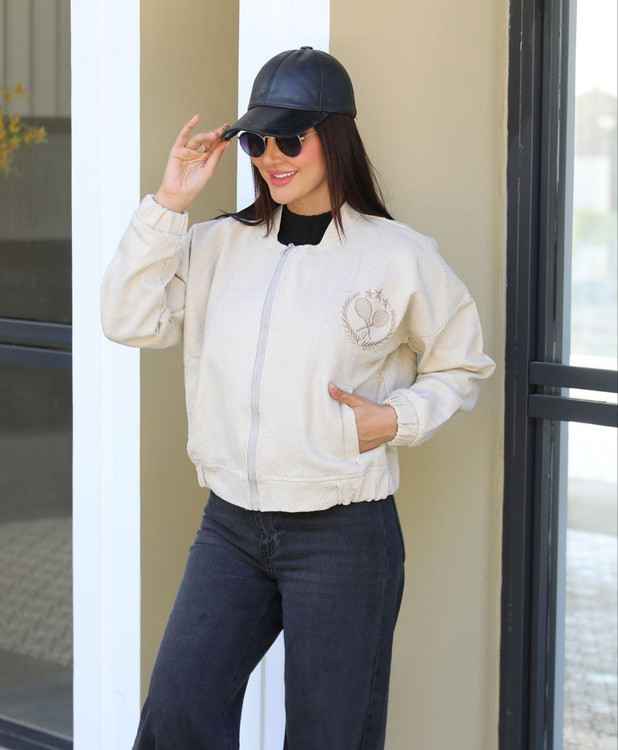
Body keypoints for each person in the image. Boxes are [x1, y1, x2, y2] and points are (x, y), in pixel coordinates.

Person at [101, 47, 495, 750]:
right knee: (176, 715)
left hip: (343, 535)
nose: (271, 158)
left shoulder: (397, 255)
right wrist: (169, 205)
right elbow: (127, 319)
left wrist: (398, 418)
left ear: (333, 136)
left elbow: (462, 361)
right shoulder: (216, 247)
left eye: (289, 138)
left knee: (328, 736)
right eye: (256, 142)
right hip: (230, 527)